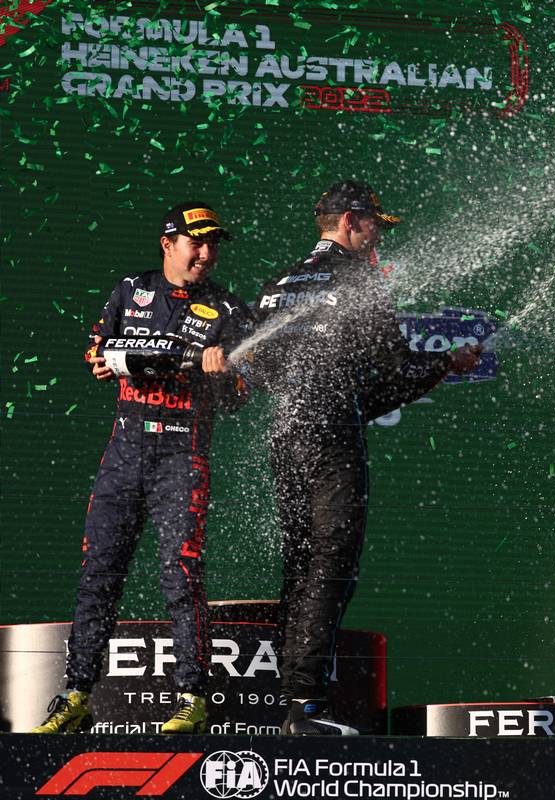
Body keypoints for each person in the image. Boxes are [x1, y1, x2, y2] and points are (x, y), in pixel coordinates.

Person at [250, 180, 481, 735]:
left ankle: (294, 705)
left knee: (302, 562)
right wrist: (447, 365)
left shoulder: (279, 284)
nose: (378, 237)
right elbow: (396, 371)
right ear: (351, 222)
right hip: (329, 437)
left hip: (287, 434)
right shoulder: (358, 278)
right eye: (375, 225)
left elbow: (259, 370)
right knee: (333, 564)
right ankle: (305, 708)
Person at [33, 202, 251, 735]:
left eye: (213, 243)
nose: (206, 253)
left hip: (183, 454)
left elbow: (239, 398)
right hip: (123, 452)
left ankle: (192, 698)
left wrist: (220, 372)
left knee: (180, 574)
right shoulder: (131, 289)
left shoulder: (228, 308)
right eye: (196, 242)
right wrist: (111, 360)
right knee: (98, 575)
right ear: (168, 243)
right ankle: (78, 693)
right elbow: (96, 354)